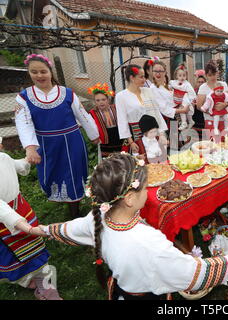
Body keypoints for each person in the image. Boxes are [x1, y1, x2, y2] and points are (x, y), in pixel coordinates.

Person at [40, 153, 228, 300]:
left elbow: (69, 229)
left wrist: (38, 229)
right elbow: (193, 274)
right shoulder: (148, 243)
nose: (148, 192)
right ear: (129, 198)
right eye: (146, 188)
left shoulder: (99, 217)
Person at [15, 54, 99, 218]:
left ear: (50, 72)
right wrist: (30, 148)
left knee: (74, 174)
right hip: (46, 144)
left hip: (71, 142)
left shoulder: (67, 93)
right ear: (29, 73)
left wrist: (94, 134)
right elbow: (23, 123)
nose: (39, 75)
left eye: (43, 71)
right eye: (34, 72)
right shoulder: (24, 97)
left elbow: (82, 114)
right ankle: (64, 202)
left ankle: (75, 211)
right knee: (52, 174)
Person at [0, 140, 61, 300]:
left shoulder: (4, 158)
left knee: (32, 244)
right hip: (4, 220)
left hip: (21, 209)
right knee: (14, 251)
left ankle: (43, 281)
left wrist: (28, 159)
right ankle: (27, 278)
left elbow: (18, 166)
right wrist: (24, 227)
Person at [149, 60, 190, 133]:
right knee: (174, 142)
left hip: (178, 117)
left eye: (160, 71)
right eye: (155, 71)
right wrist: (182, 110)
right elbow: (163, 109)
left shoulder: (168, 86)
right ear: (152, 72)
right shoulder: (153, 88)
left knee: (181, 141)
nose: (158, 73)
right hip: (168, 119)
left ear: (165, 72)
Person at [88, 83, 124, 157]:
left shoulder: (115, 108)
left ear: (108, 100)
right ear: (95, 102)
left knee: (122, 156)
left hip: (118, 136)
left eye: (103, 99)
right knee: (108, 160)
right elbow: (90, 126)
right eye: (97, 100)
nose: (101, 102)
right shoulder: (93, 113)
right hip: (105, 139)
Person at [196, 60, 228, 137]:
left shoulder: (223, 84)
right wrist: (213, 112)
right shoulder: (203, 87)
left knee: (223, 144)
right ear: (206, 75)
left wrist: (224, 105)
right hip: (210, 120)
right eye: (210, 75)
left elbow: (227, 100)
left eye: (214, 74)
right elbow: (199, 106)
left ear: (217, 73)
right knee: (211, 145)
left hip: (223, 120)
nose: (213, 77)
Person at [169, 64, 197, 131]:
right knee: (183, 110)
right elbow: (170, 85)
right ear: (176, 76)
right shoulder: (174, 82)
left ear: (186, 76)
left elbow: (191, 92)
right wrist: (169, 87)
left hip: (184, 98)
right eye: (180, 75)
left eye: (184, 75)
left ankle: (184, 122)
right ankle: (190, 121)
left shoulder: (187, 84)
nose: (182, 77)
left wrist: (191, 101)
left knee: (183, 108)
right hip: (177, 97)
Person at [192, 71, 207, 138]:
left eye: (202, 82)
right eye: (199, 82)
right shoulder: (192, 92)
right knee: (195, 139)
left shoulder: (207, 93)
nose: (200, 83)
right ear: (196, 83)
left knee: (204, 140)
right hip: (195, 118)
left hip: (204, 118)